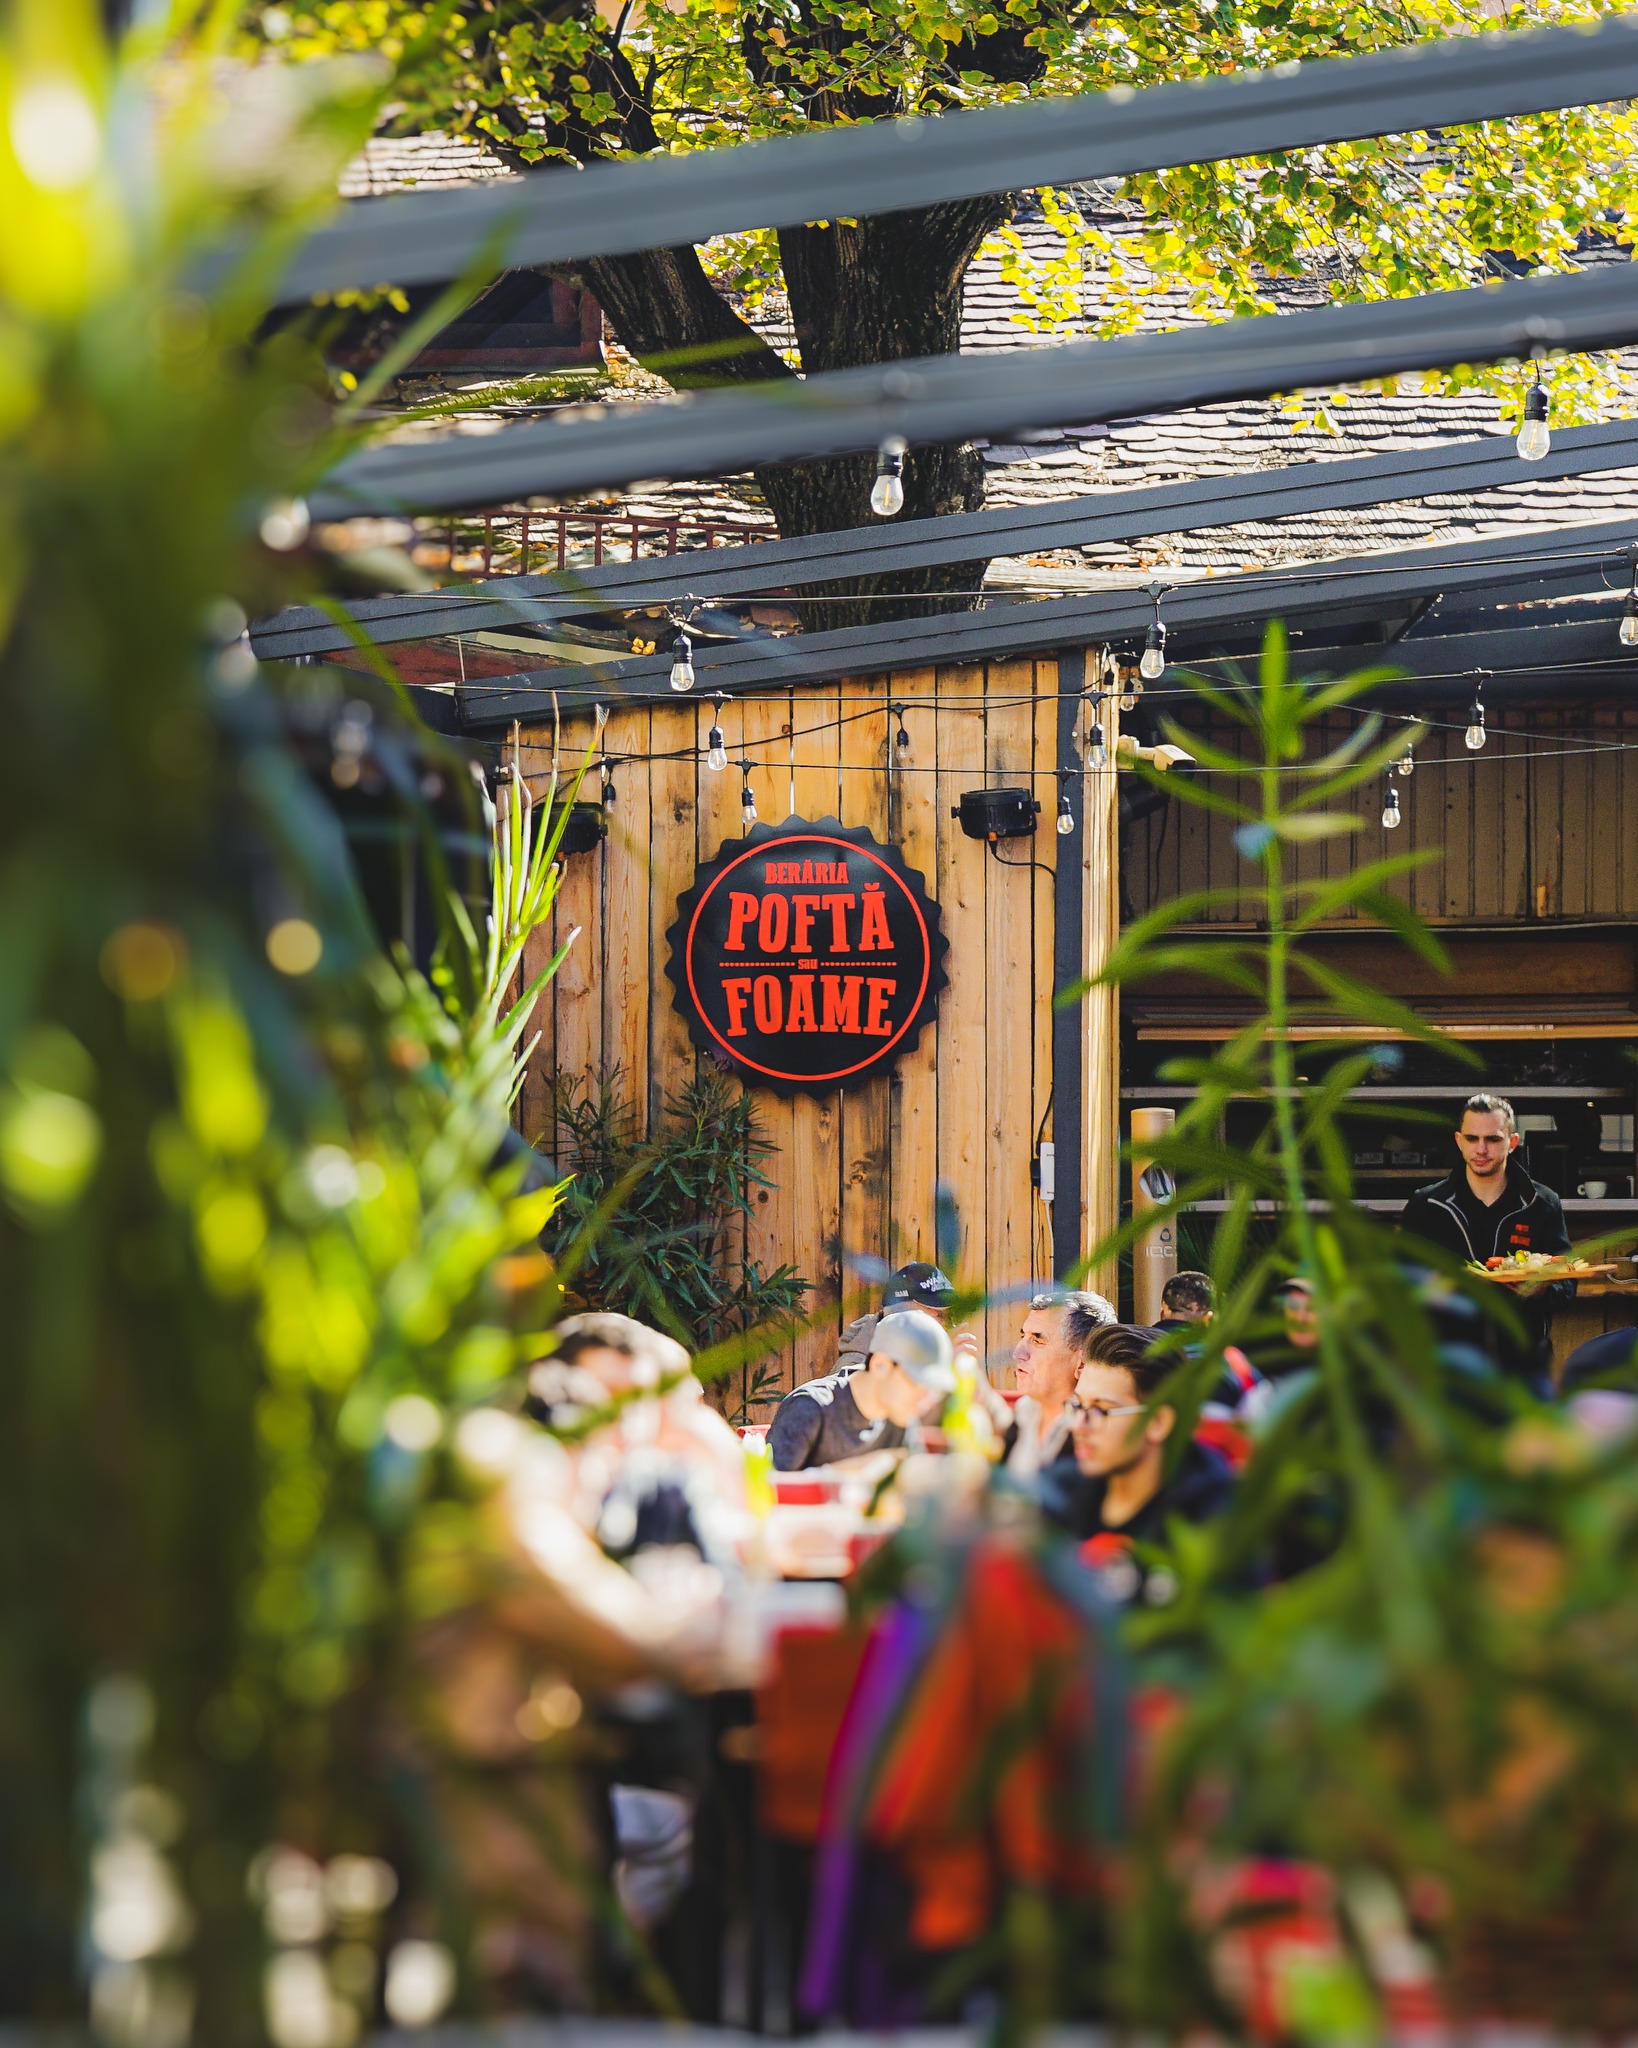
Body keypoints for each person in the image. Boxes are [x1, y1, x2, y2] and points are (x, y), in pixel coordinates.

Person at [1400, 1092, 1576, 1397]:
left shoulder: (1541, 1203)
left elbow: (1568, 1281)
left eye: (1493, 1139)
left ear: (1512, 1142)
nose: (1481, 1149)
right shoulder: (1427, 1205)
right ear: (1459, 1141)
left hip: (1524, 1369)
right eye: (1472, 1138)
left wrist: (1545, 1289)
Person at [1044, 1324, 1236, 1582]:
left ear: (1158, 1422)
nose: (1078, 1426)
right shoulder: (1060, 1490)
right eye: (1077, 1406)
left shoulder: (1212, 1522)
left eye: (1101, 1410)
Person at [768, 1310, 955, 1470]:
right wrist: (863, 1468)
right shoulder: (809, 1408)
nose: (924, 1400)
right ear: (880, 1365)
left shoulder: (903, 1414)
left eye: (932, 1389)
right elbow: (767, 1490)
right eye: (916, 1381)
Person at [1008, 1287, 1118, 1471]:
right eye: (1023, 1336)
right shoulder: (1025, 1411)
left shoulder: (1097, 1437)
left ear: (1082, 1363)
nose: (1018, 1353)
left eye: (1037, 1340)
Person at [832, 1261, 957, 1374]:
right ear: (897, 1318)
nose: (949, 1325)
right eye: (938, 1316)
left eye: (950, 1316)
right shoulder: (852, 1369)